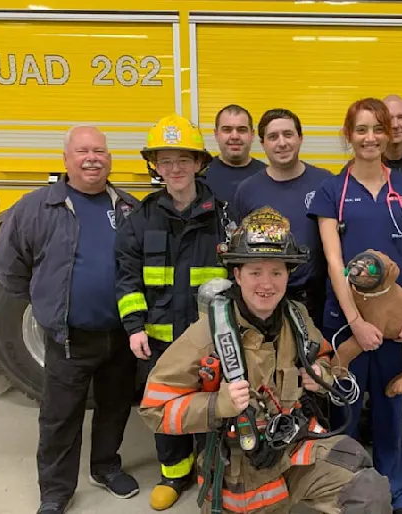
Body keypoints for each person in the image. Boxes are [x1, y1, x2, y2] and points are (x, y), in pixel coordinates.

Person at [138, 206, 393, 514]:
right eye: (255, 272)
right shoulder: (207, 334)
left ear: (288, 275)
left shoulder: (297, 318)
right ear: (237, 274)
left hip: (296, 448)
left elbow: (325, 357)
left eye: (276, 272)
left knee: (367, 488)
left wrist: (320, 374)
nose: (266, 284)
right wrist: (216, 405)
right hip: (240, 472)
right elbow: (155, 408)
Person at [0, 126, 140, 514]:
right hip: (69, 338)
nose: (93, 158)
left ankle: (106, 467)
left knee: (115, 406)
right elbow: (9, 268)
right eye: (83, 151)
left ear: (109, 159)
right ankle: (55, 492)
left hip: (121, 335)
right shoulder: (35, 207)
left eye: (100, 151)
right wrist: (46, 304)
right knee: (60, 418)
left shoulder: (127, 207)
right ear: (66, 159)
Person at [308, 97, 402, 514]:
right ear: (349, 135)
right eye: (361, 129)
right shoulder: (332, 192)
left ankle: (395, 496)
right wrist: (356, 321)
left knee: (391, 409)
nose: (370, 137)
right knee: (344, 408)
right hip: (346, 322)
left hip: (397, 322)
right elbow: (334, 262)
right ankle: (345, 493)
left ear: (389, 133)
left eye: (378, 128)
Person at [115, 114, 230, 510]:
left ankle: (208, 471)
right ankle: (174, 474)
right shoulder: (142, 218)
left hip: (209, 340)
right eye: (165, 161)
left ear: (199, 163)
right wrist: (134, 327)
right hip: (161, 339)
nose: (174, 168)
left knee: (212, 410)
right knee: (165, 410)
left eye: (183, 159)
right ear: (155, 167)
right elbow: (127, 277)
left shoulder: (224, 216)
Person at [233, 108, 332, 329]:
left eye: (288, 134)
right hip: (267, 301)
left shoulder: (325, 183)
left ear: (300, 138)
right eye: (273, 136)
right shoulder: (247, 190)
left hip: (317, 300)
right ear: (262, 143)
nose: (282, 143)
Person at [201, 104, 265, 216]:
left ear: (252, 135)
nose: (235, 136)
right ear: (216, 134)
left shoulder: (268, 176)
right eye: (227, 130)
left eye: (242, 130)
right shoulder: (200, 177)